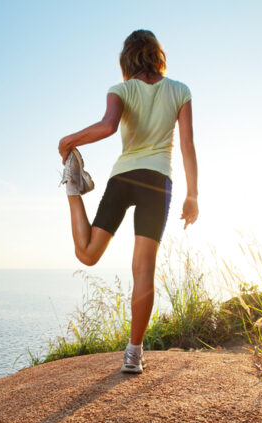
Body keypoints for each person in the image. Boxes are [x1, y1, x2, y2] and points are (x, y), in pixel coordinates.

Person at [58, 29, 199, 374]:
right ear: (158, 55)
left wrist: (68, 141)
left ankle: (73, 188)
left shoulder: (120, 90)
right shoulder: (180, 90)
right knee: (143, 269)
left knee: (87, 254)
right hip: (157, 181)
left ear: (127, 59)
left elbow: (108, 127)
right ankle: (133, 354)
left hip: (124, 176)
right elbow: (187, 146)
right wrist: (192, 195)